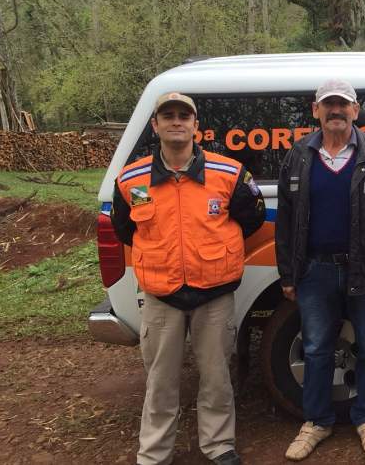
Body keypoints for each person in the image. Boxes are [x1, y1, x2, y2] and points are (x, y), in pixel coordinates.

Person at [110, 92, 265, 465]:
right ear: (156, 126)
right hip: (161, 296)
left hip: (213, 295)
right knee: (160, 381)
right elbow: (125, 230)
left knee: (216, 377)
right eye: (168, 116)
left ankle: (219, 445)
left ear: (196, 126)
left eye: (184, 116)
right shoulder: (131, 180)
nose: (176, 122)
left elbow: (252, 218)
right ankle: (154, 453)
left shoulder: (229, 173)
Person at [275, 79, 365, 460]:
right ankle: (316, 421)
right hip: (314, 271)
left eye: (343, 104)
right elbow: (285, 221)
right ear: (316, 110)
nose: (335, 110)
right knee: (316, 348)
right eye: (328, 104)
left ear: (355, 110)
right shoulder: (299, 155)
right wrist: (288, 273)